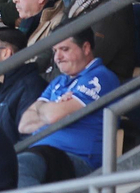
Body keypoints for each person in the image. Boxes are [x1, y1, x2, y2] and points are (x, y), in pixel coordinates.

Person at [17, 30, 118, 184]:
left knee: (21, 166)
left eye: (64, 50)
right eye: (55, 51)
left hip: (78, 160)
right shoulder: (58, 82)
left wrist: (46, 109)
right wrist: (56, 106)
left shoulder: (99, 77)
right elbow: (24, 124)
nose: (57, 57)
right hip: (43, 155)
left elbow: (53, 116)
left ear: (85, 48)